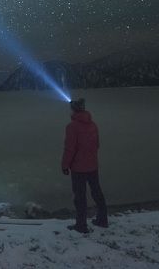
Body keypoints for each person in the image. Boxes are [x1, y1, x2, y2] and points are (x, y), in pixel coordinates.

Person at [61, 97, 108, 232]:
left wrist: (65, 165)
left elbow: (70, 149)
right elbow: (97, 145)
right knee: (97, 192)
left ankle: (81, 225)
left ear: (73, 109)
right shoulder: (93, 125)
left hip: (78, 168)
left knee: (80, 197)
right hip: (92, 165)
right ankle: (102, 219)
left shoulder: (72, 127)